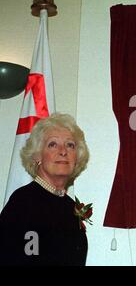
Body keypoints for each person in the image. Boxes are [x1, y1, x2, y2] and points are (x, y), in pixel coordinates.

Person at [0, 113, 90, 266]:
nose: (63, 151)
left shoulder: (70, 206)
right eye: (53, 144)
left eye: (70, 145)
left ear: (77, 158)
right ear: (37, 156)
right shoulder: (24, 201)